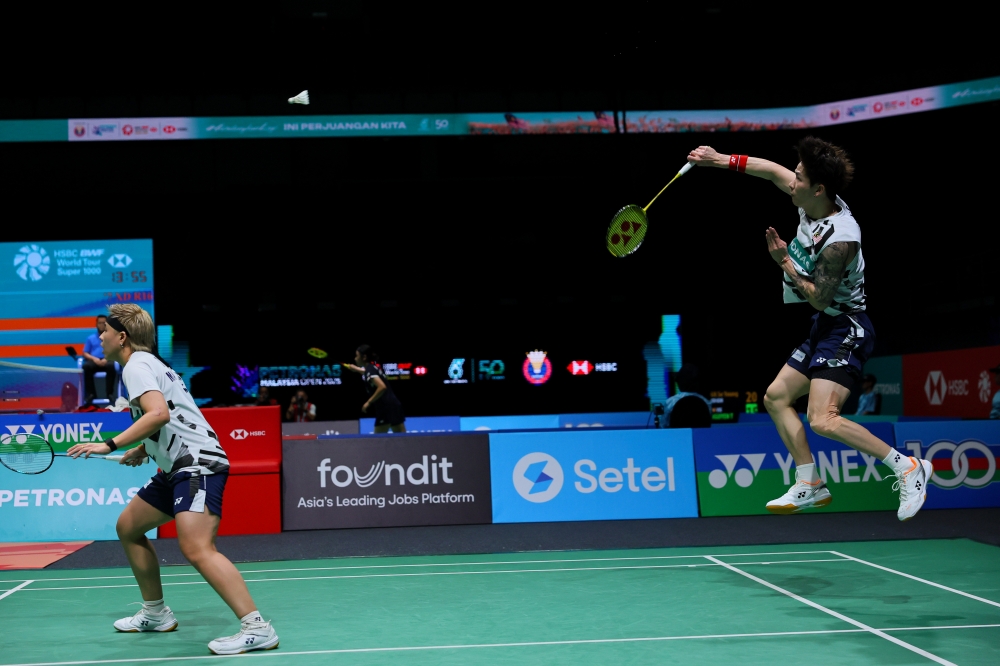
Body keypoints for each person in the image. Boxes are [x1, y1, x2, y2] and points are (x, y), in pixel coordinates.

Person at [688, 137, 933, 521]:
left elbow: (819, 298)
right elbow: (769, 170)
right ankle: (810, 483)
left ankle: (907, 467)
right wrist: (718, 160)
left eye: (799, 178)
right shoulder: (810, 199)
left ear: (818, 189)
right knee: (775, 398)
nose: (792, 181)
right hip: (825, 325)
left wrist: (783, 260)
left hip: (847, 326)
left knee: (823, 419)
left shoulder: (842, 239)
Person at [66, 304, 279, 655]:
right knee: (129, 527)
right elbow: (174, 417)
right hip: (176, 467)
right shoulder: (149, 364)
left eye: (105, 330)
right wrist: (147, 450)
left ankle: (257, 628)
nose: (99, 336)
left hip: (195, 467)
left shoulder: (137, 366)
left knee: (196, 548)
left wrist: (110, 444)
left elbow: (159, 413)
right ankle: (156, 613)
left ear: (122, 336)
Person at [343, 344, 406, 433]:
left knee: (377, 441)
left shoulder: (370, 370)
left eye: (357, 356)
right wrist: (356, 369)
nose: (355, 358)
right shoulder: (372, 367)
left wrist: (368, 402)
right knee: (403, 439)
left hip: (386, 408)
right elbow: (367, 372)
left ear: (364, 357)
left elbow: (382, 387)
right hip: (393, 406)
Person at [82, 314, 118, 404]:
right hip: (94, 360)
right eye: (100, 323)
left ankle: (109, 394)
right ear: (96, 324)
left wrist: (106, 359)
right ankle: (91, 394)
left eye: (104, 323)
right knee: (86, 366)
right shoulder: (90, 338)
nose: (102, 325)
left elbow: (116, 350)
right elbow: (85, 353)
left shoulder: (112, 337)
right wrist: (94, 359)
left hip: (107, 359)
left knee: (111, 366)